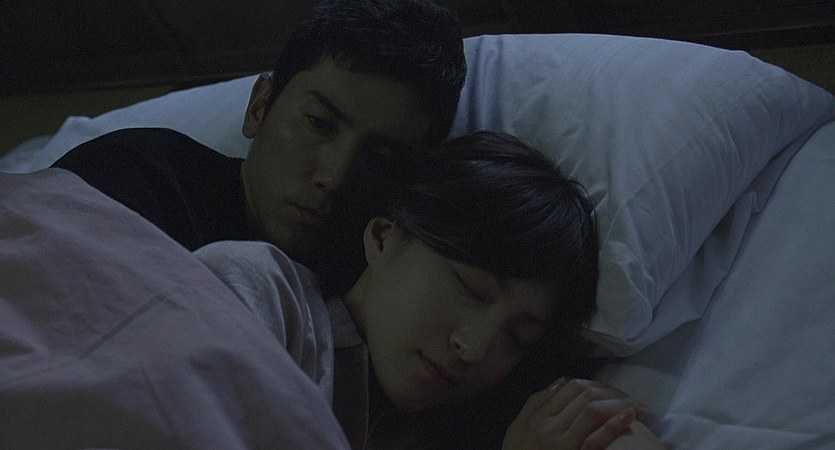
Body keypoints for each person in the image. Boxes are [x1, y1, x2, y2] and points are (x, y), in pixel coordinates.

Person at [195, 131, 665, 449]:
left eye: (516, 337)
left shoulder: (483, 425)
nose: (474, 348)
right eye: (471, 289)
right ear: (383, 237)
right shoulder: (261, 292)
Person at [51, 0, 467, 267]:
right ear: (259, 107)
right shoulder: (131, 179)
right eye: (319, 124)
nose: (335, 177)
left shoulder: (372, 286)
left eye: (381, 159)